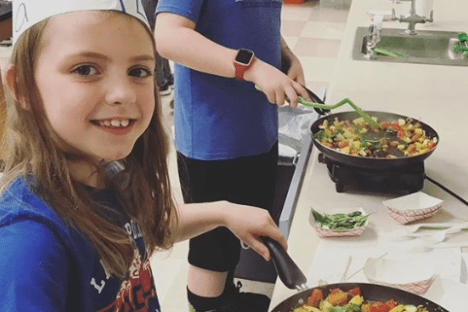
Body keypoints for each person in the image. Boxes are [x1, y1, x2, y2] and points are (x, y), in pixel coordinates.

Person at [0, 1, 287, 311]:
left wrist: (224, 213)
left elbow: (142, 225)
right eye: (85, 69)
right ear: (24, 86)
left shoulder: (106, 171)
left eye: (138, 71)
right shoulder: (28, 242)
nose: (122, 93)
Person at [153, 1, 311, 311]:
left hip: (258, 128)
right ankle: (209, 304)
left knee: (243, 229)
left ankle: (227, 295)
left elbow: (259, 21)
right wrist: (251, 67)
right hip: (212, 138)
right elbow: (169, 36)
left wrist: (286, 57)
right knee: (212, 250)